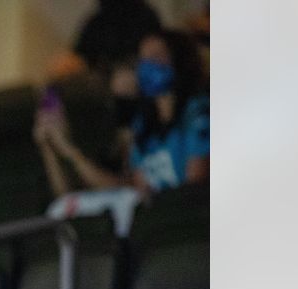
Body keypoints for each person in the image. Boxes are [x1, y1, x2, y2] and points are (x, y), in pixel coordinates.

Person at [36, 29, 208, 196]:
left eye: (156, 56)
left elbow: (194, 187)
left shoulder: (199, 112)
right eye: (142, 59)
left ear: (180, 60)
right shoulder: (143, 125)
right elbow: (134, 188)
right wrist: (60, 147)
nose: (146, 66)